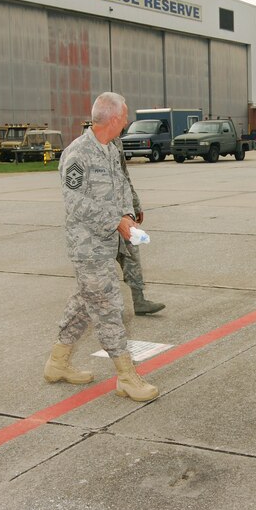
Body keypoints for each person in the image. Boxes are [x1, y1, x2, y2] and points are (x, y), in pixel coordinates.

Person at [43, 92, 158, 403]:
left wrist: (128, 220)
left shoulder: (110, 148)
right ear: (115, 119)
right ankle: (126, 376)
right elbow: (75, 202)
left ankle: (57, 362)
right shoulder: (78, 154)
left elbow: (121, 187)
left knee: (83, 305)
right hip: (88, 247)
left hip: (109, 242)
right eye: (126, 115)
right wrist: (116, 221)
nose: (128, 120)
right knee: (109, 309)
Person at [112, 135, 165, 315]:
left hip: (124, 211)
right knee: (99, 266)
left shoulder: (116, 140)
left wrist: (135, 203)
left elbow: (124, 174)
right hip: (104, 215)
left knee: (132, 254)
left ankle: (139, 301)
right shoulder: (91, 144)